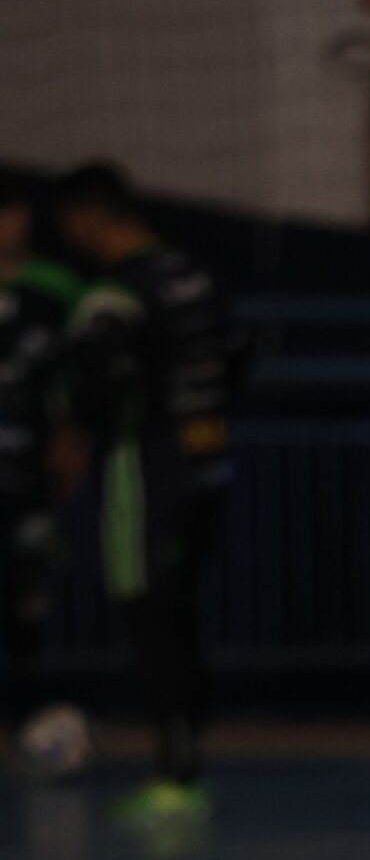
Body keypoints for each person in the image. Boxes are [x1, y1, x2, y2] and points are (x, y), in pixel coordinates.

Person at [49, 161, 240, 825]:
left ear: (87, 219)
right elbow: (235, 358)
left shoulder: (118, 292)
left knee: (150, 615)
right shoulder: (197, 276)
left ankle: (176, 776)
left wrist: (79, 434)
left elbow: (96, 379)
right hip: (208, 464)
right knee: (179, 613)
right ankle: (184, 763)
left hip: (147, 470)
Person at [0, 170, 83, 749]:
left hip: (28, 469)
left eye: (11, 211)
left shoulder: (57, 286)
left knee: (26, 594)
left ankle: (21, 717)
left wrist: (72, 437)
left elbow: (82, 371)